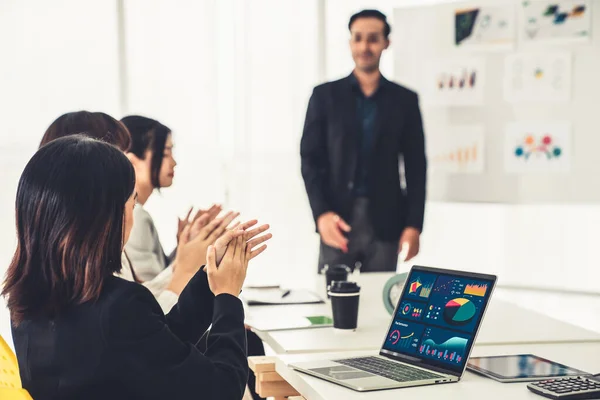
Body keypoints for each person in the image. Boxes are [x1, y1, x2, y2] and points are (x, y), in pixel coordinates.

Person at [3, 135, 270, 400]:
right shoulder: (119, 305)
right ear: (107, 217)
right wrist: (227, 295)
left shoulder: (25, 302)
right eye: (132, 203)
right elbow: (222, 389)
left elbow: (153, 351)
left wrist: (208, 279)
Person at [39, 111, 241, 313]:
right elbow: (146, 317)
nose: (124, 163)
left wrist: (184, 256)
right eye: (117, 154)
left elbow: (140, 300)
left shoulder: (58, 256)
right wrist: (188, 268)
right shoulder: (115, 233)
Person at [301, 9, 427, 273]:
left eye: (372, 39)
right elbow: (311, 160)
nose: (364, 46)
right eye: (358, 38)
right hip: (337, 219)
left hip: (386, 220)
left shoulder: (404, 100)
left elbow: (416, 167)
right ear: (350, 42)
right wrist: (321, 214)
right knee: (332, 304)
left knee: (378, 306)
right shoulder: (324, 96)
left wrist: (414, 225)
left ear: (385, 43)